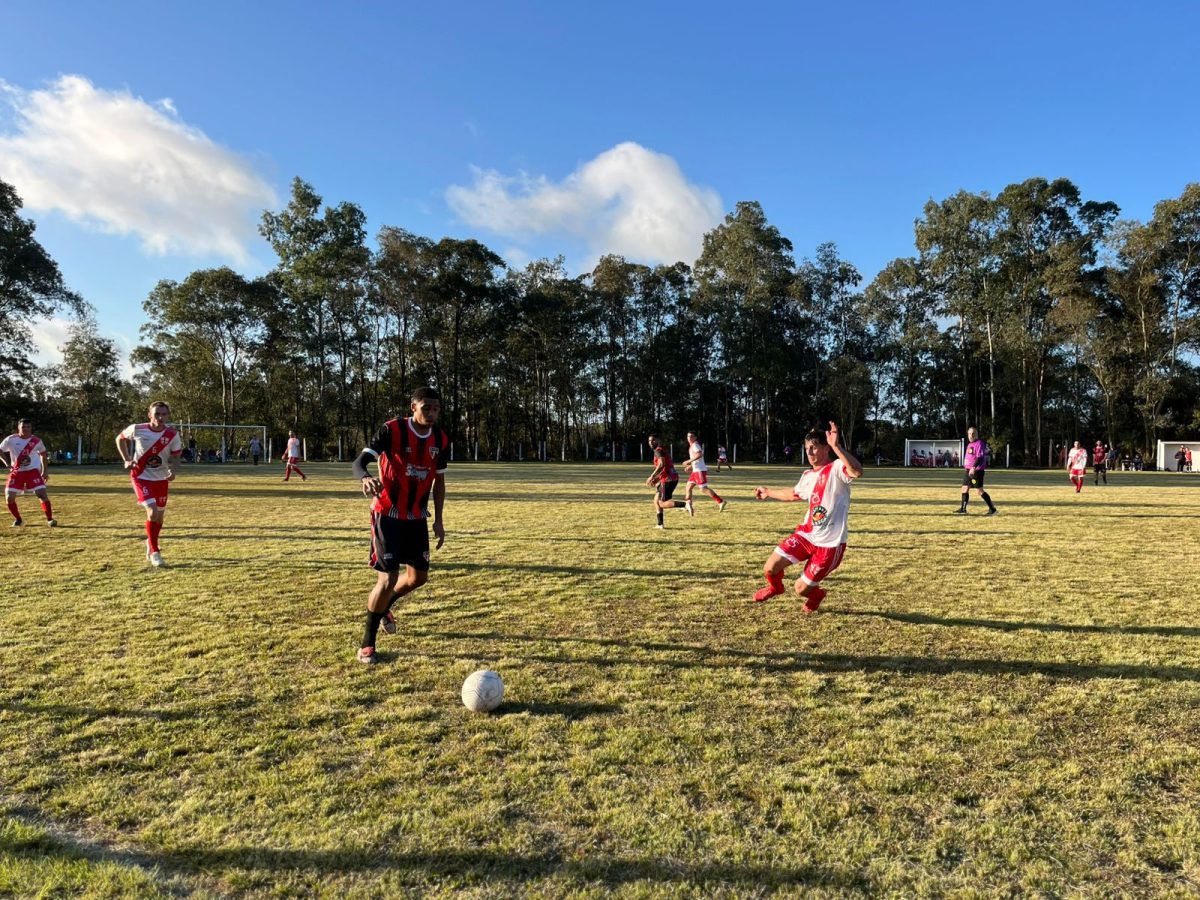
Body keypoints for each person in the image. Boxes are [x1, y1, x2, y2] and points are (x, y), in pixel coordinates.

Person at [352, 387, 449, 665]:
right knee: (387, 579)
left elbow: (439, 482)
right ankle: (367, 644)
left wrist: (439, 520)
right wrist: (365, 478)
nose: (431, 414)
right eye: (426, 408)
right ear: (413, 407)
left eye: (436, 409)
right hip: (388, 514)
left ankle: (385, 609)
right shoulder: (391, 430)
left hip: (417, 517)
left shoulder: (441, 439)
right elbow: (359, 463)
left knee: (418, 578)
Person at [751, 422, 862, 612]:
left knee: (801, 589)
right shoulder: (808, 475)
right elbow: (793, 494)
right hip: (807, 534)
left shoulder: (836, 468)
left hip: (829, 545)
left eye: (814, 447)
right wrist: (768, 491)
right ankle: (775, 588)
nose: (809, 452)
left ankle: (816, 594)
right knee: (770, 568)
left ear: (826, 448)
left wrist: (837, 447)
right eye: (807, 448)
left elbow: (857, 471)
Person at [116, 401, 183, 567]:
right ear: (149, 415)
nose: (160, 417)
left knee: (159, 518)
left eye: (164, 414)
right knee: (152, 511)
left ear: (168, 415)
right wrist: (126, 459)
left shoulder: (172, 434)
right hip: (141, 476)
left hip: (161, 479)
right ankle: (155, 551)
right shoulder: (138, 429)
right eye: (157, 414)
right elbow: (120, 438)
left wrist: (173, 471)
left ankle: (150, 542)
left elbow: (176, 455)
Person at [1, 419, 56, 527]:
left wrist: (45, 471)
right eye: (23, 427)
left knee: (41, 494)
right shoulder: (11, 439)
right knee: (9, 498)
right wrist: (7, 463)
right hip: (17, 472)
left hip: (33, 472)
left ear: (31, 428)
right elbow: (0, 449)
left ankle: (50, 519)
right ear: (19, 428)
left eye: (28, 427)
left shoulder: (36, 441)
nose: (26, 429)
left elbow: (43, 455)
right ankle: (18, 519)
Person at [681, 431, 727, 515]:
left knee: (703, 488)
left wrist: (688, 461)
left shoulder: (695, 445)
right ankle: (688, 506)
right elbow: (697, 459)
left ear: (695, 438)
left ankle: (720, 501)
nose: (689, 438)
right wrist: (691, 466)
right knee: (688, 487)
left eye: (691, 436)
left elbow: (700, 454)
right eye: (688, 436)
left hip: (699, 471)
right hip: (696, 470)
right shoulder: (692, 446)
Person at [646, 435, 686, 528]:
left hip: (668, 479)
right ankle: (660, 524)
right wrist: (657, 478)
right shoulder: (662, 450)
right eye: (649, 441)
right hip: (670, 477)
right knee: (656, 500)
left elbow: (661, 465)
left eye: (653, 440)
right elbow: (665, 466)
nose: (651, 442)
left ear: (658, 440)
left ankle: (685, 505)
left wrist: (652, 476)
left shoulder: (658, 451)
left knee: (662, 503)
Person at [955, 427, 997, 515]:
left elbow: (979, 457)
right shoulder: (970, 444)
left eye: (973, 433)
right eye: (969, 434)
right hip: (968, 471)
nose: (971, 435)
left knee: (979, 491)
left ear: (976, 434)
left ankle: (992, 509)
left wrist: (973, 467)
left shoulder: (979, 443)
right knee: (964, 488)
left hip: (976, 471)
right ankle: (963, 509)